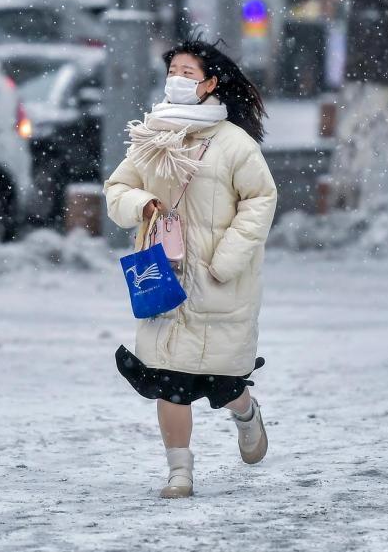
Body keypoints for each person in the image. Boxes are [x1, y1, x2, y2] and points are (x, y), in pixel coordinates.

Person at [104, 36, 278, 498]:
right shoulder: (152, 135)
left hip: (219, 279)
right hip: (164, 276)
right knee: (168, 381)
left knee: (223, 381)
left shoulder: (234, 144)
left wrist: (229, 258)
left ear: (210, 84)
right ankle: (179, 472)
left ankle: (246, 413)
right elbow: (117, 188)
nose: (177, 80)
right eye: (172, 72)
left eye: (188, 73)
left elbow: (261, 199)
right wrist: (142, 204)